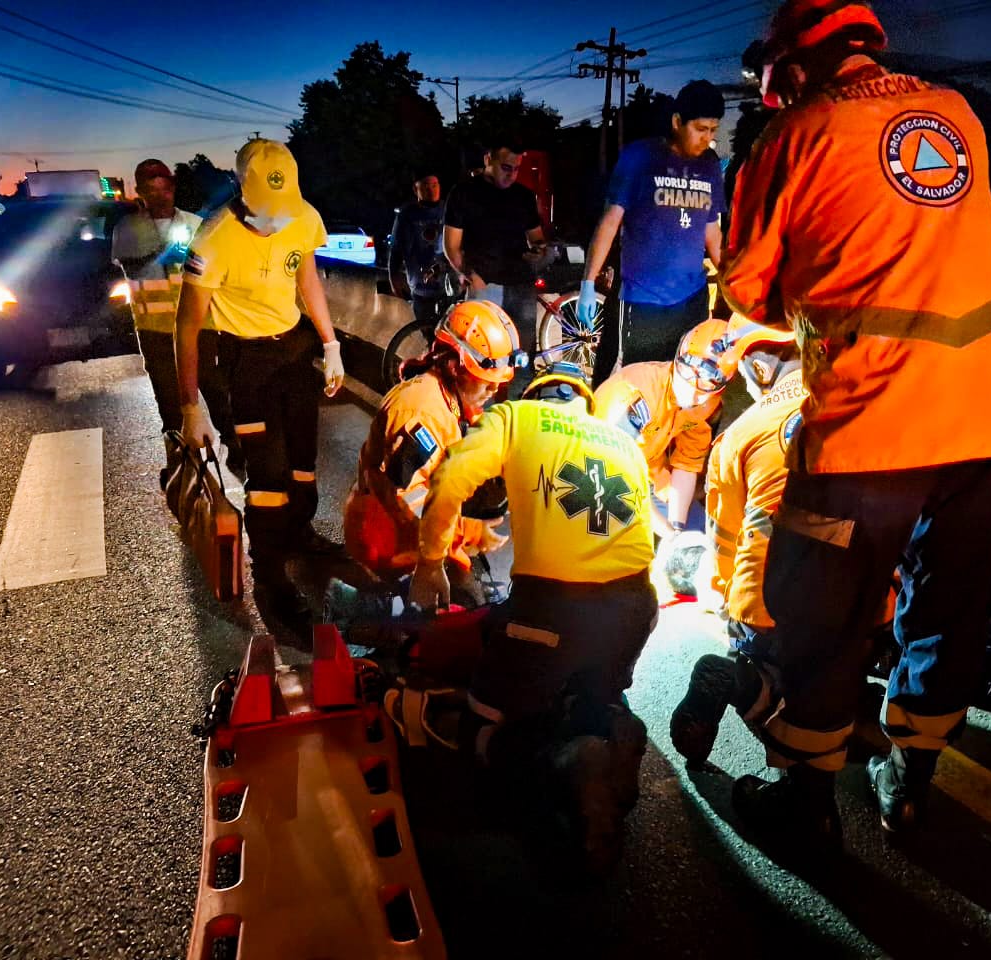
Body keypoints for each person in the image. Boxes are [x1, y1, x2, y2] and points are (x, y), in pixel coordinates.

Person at [720, 0, 991, 851]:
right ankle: (911, 786)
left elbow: (750, 291)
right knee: (950, 604)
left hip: (871, 423)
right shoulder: (957, 115)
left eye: (769, 73)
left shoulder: (793, 139)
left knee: (823, 608)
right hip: (982, 412)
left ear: (793, 62)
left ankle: (807, 806)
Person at [408, 362, 656, 873]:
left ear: (537, 393)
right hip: (634, 608)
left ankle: (559, 769)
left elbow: (453, 475)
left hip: (549, 607)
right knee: (589, 691)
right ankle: (608, 726)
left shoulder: (516, 418)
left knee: (487, 721)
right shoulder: (622, 444)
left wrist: (430, 562)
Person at [175, 139, 347, 631]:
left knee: (302, 465)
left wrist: (329, 343)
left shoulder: (304, 216)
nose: (276, 221)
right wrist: (192, 407)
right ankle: (271, 573)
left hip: (293, 350)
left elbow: (307, 278)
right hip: (244, 358)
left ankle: (302, 533)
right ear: (242, 192)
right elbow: (187, 327)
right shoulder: (213, 240)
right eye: (265, 211)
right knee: (268, 477)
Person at [324, 300, 526, 629]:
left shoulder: (452, 398)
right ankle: (357, 611)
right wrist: (437, 560)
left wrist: (475, 525)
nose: (494, 388)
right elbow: (408, 501)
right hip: (385, 529)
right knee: (461, 611)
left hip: (405, 513)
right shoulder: (420, 409)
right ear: (455, 365)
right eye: (486, 380)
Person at [668, 316, 804, 766]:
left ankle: (738, 681)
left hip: (771, 614)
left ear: (760, 367)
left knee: (782, 699)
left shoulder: (740, 437)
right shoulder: (856, 403)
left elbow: (726, 552)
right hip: (861, 602)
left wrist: (722, 602)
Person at [579, 80, 727, 384]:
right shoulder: (640, 157)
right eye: (700, 129)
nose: (707, 138)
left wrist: (731, 280)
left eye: (713, 130)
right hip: (642, 299)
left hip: (691, 300)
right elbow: (610, 221)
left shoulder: (710, 166)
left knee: (685, 383)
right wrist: (587, 283)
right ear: (677, 122)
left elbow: (711, 231)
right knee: (638, 385)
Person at [112, 159, 239, 482]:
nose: (159, 195)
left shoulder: (196, 224)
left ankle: (236, 446)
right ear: (140, 191)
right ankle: (180, 460)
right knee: (168, 398)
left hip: (200, 324)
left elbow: (213, 268)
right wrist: (166, 252)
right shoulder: (127, 228)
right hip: (154, 328)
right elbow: (131, 267)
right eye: (151, 189)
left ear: (173, 188)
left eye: (164, 187)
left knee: (213, 385)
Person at [593, 318, 735, 538]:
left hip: (648, 473)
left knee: (697, 532)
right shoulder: (635, 395)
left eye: (707, 386)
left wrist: (676, 528)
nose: (695, 392)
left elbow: (687, 464)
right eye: (690, 376)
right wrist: (668, 535)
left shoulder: (705, 403)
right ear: (679, 358)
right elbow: (610, 475)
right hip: (597, 472)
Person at [443, 137, 547, 398]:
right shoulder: (464, 193)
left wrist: (540, 250)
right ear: (489, 159)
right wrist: (469, 274)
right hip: (484, 288)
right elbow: (451, 245)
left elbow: (536, 237)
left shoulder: (523, 196)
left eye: (516, 169)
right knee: (481, 360)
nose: (511, 175)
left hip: (520, 286)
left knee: (521, 359)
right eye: (506, 167)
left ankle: (516, 415)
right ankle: (479, 420)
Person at [389, 170, 449, 326]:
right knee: (426, 329)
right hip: (420, 287)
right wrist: (394, 278)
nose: (431, 190)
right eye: (426, 186)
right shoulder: (407, 215)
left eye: (435, 185)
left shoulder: (449, 210)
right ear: (416, 190)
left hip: (448, 286)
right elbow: (396, 249)